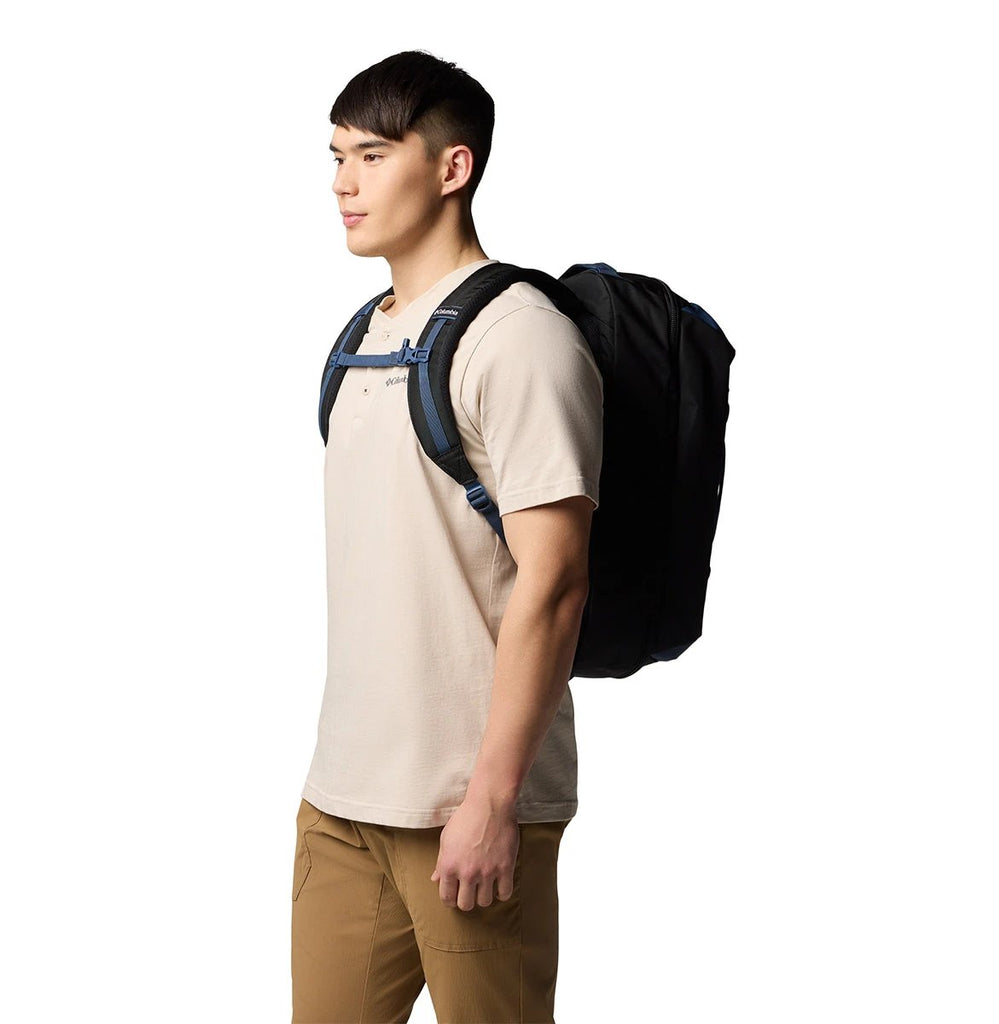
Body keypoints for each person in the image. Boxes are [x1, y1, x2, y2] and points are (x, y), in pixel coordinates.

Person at [291, 50, 603, 1024]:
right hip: (344, 800)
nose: (343, 183)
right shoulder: (362, 337)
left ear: (451, 167)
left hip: (468, 811)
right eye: (337, 156)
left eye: (374, 155)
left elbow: (555, 581)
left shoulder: (520, 336)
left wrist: (493, 800)